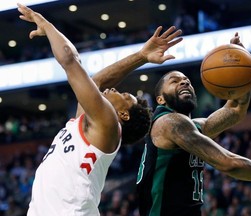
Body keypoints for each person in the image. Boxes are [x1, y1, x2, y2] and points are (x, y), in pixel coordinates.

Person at [17, 3, 183, 216]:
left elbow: (69, 59)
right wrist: (141, 56)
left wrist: (46, 24)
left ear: (122, 115)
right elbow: (97, 82)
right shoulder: (89, 124)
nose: (115, 89)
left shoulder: (108, 124)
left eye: (123, 96)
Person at [135, 37, 251, 215]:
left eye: (187, 81)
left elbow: (235, 109)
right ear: (160, 99)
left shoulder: (188, 127)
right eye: (174, 81)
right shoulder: (169, 123)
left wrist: (242, 70)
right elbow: (229, 163)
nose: (184, 82)